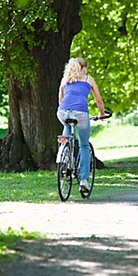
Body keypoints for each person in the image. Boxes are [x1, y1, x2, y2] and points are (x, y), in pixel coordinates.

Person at [57, 57, 105, 192]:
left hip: (62, 112)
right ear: (83, 69)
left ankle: (64, 154)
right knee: (84, 145)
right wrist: (101, 114)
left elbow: (60, 100)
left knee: (66, 127)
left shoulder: (65, 80)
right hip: (81, 114)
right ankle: (83, 180)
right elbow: (99, 101)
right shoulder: (88, 79)